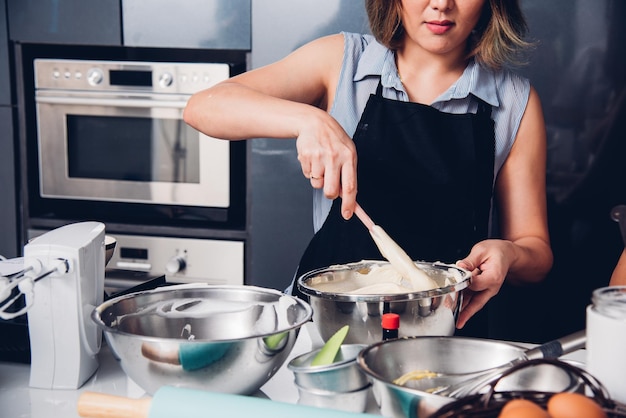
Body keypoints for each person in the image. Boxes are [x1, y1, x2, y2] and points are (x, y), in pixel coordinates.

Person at [183, 0, 553, 337]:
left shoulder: (513, 101)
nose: (441, 4)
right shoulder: (341, 61)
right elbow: (204, 107)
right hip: (326, 327)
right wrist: (310, 121)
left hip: (441, 334)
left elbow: (535, 254)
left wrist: (509, 253)